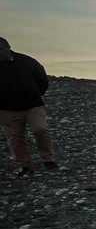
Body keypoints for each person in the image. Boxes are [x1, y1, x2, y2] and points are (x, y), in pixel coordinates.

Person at [0, 37, 57, 177]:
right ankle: (24, 166)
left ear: (7, 48)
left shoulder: (27, 61)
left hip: (32, 105)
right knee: (15, 138)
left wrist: (37, 93)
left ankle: (48, 158)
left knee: (41, 129)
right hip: (7, 109)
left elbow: (42, 79)